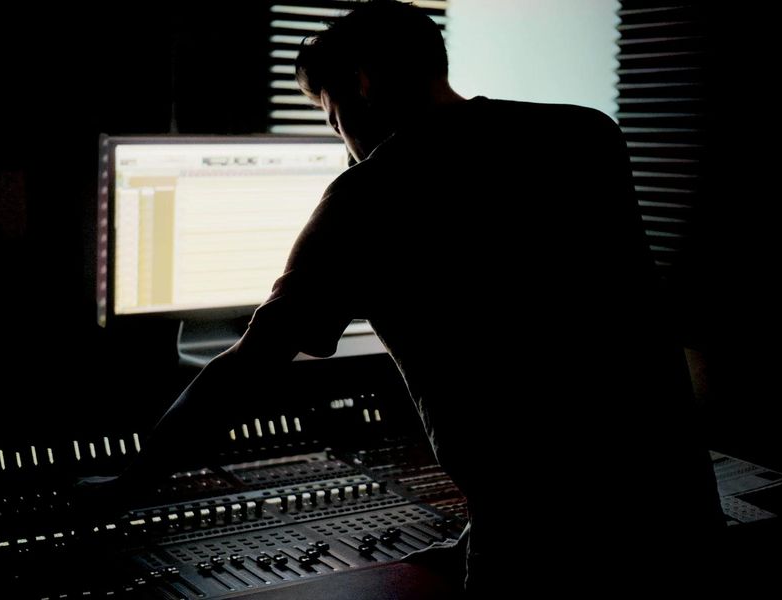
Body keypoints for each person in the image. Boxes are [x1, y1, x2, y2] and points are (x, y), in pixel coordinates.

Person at [111, 0, 723, 593]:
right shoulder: (584, 134)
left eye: (331, 113)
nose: (339, 134)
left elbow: (249, 367)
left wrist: (123, 490)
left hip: (537, 542)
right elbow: (566, 335)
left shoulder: (370, 194)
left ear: (362, 80)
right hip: (676, 506)